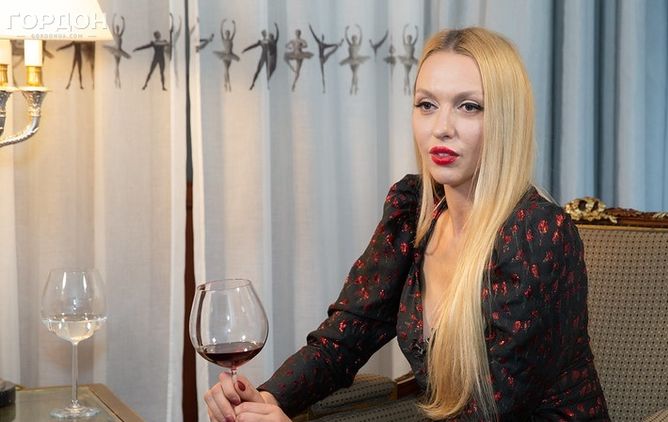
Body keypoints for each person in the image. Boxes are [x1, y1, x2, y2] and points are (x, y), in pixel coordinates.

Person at [204, 27, 610, 421]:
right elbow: (342, 341)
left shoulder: (536, 234)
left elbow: (486, 412)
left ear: (506, 120)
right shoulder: (413, 212)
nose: (441, 128)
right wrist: (264, 399)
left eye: (469, 106)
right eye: (427, 105)